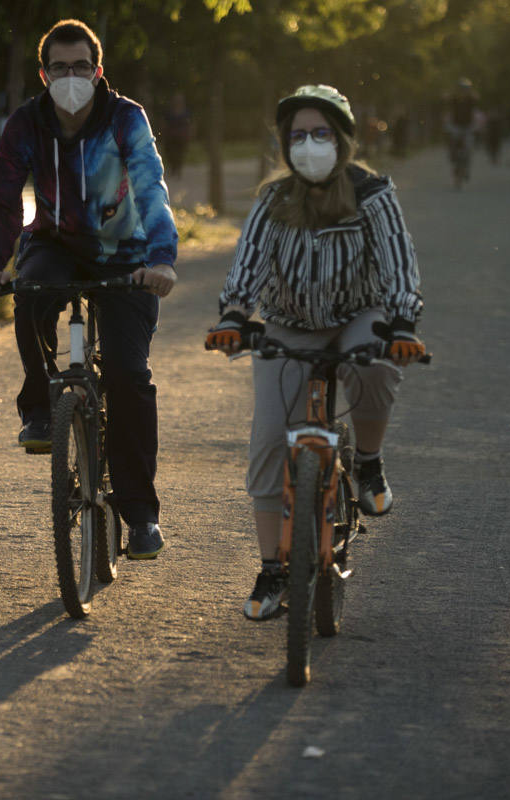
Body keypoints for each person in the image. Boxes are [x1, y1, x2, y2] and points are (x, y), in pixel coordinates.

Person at [204, 85, 424, 620]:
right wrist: (233, 318)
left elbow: (398, 260)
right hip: (290, 325)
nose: (309, 144)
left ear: (343, 140)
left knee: (375, 367)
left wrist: (401, 324)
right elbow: (249, 261)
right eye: (298, 135)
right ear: (285, 143)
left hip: (358, 316)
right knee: (267, 438)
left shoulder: (373, 193)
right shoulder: (274, 199)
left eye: (321, 133)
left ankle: (367, 462)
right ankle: (272, 570)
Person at [0, 19, 177, 559]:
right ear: (43, 74)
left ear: (98, 71)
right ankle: (40, 408)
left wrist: (162, 259)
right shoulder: (26, 123)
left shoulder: (126, 118)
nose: (70, 77)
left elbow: (151, 187)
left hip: (127, 254)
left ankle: (141, 516)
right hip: (55, 242)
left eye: (80, 67)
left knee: (129, 377)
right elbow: (3, 195)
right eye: (59, 68)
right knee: (32, 291)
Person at [444, 78, 478, 184]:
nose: (463, 91)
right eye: (461, 89)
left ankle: (466, 168)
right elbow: (446, 99)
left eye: (465, 89)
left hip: (468, 126)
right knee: (453, 142)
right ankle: (454, 159)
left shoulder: (471, 99)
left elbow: (477, 99)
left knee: (469, 147)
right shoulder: (453, 99)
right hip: (456, 126)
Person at [161, 91, 192, 179]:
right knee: (170, 153)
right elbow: (164, 123)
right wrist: (164, 132)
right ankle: (173, 168)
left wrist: (189, 134)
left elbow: (189, 124)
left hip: (181, 136)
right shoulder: (169, 112)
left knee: (180, 153)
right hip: (170, 136)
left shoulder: (186, 112)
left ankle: (178, 169)